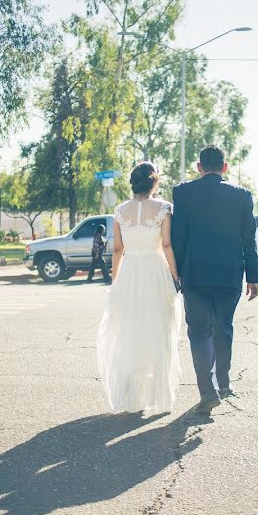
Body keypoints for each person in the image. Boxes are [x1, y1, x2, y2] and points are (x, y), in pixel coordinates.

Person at [171, 145, 258, 414]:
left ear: (199, 167)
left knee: (199, 332)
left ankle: (207, 392)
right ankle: (223, 382)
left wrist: (175, 274)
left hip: (195, 274)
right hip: (230, 274)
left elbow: (178, 238)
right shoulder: (242, 196)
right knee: (224, 327)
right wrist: (253, 277)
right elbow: (248, 239)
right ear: (225, 167)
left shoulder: (183, 193)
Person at [96, 162, 182, 414]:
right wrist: (176, 277)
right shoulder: (164, 208)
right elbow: (166, 246)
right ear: (155, 182)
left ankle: (132, 397)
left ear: (133, 183)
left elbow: (117, 249)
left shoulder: (120, 210)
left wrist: (115, 281)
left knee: (130, 331)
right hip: (155, 271)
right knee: (159, 330)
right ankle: (159, 397)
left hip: (130, 272)